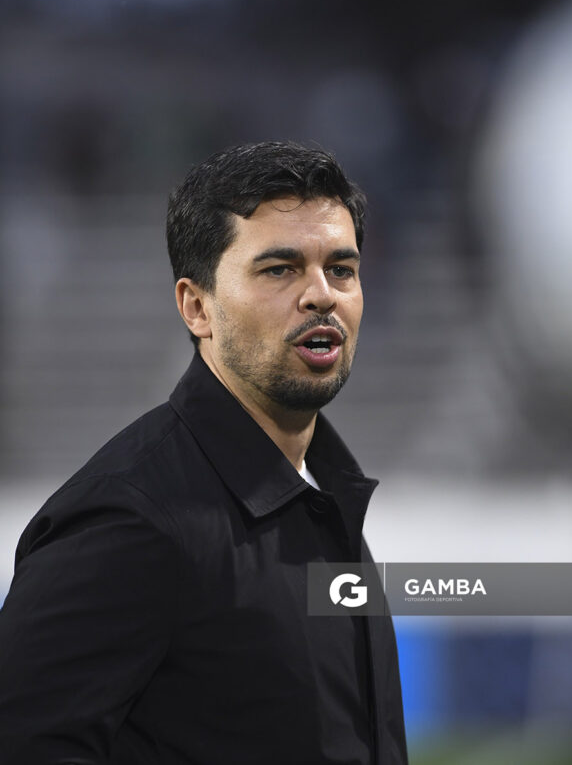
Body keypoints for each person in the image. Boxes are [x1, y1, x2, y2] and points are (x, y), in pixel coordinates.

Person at [0, 141, 409, 765]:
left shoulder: (325, 498)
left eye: (342, 269)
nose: (321, 294)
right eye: (280, 269)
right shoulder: (130, 519)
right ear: (197, 307)